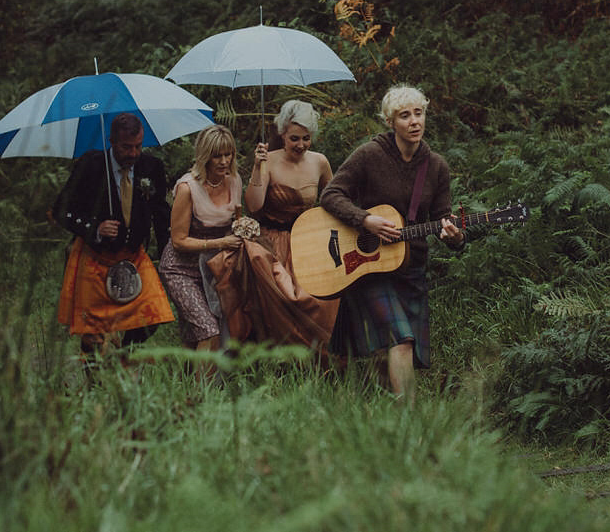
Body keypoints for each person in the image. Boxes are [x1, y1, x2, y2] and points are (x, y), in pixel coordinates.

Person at [320, 85, 464, 400]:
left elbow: (444, 219)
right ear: (390, 122)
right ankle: (410, 422)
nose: (414, 121)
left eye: (419, 113)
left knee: (395, 349)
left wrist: (454, 236)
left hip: (410, 269)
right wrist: (364, 220)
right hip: (369, 269)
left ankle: (375, 405)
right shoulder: (370, 155)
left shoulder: (436, 166)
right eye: (405, 115)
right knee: (402, 340)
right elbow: (330, 194)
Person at [208, 100, 339, 353]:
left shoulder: (320, 162)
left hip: (308, 240)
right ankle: (277, 359)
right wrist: (258, 166)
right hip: (273, 240)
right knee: (282, 298)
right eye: (294, 139)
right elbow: (254, 206)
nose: (300, 145)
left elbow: (334, 200)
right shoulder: (269, 160)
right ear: (282, 134)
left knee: (323, 296)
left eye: (306, 138)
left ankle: (316, 356)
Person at [52, 112, 174, 370]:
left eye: (138, 146)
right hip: (95, 257)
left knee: (154, 315)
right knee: (93, 331)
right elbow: (61, 209)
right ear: (111, 142)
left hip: (134, 255)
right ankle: (94, 386)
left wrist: (167, 255)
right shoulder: (90, 165)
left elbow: (162, 214)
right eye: (126, 147)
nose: (133, 153)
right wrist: (95, 228)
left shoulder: (151, 167)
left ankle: (127, 357)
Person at [159, 124, 243, 351]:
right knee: (209, 330)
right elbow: (178, 240)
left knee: (193, 337)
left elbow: (235, 221)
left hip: (214, 269)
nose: (224, 161)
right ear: (205, 156)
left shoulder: (234, 181)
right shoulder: (188, 188)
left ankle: (186, 384)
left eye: (228, 154)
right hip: (181, 269)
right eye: (217, 156)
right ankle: (204, 388)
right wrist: (221, 243)